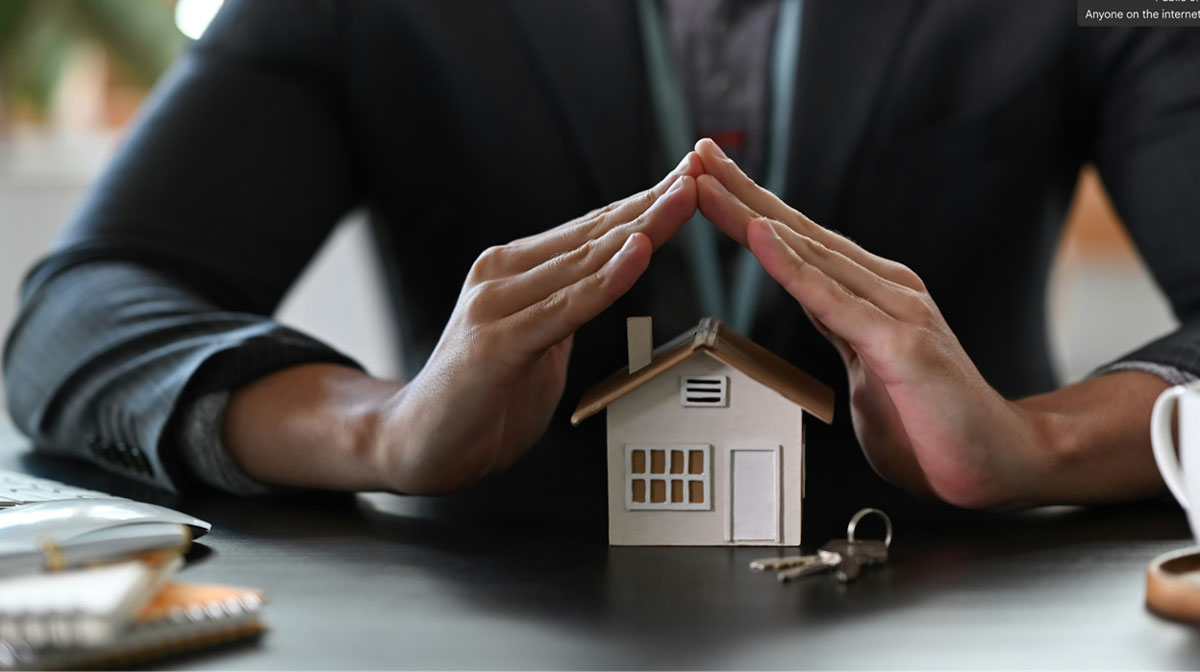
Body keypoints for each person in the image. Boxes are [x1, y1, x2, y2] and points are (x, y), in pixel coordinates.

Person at [4, 0, 1198, 526]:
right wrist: (377, 428)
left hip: (963, 615)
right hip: (486, 620)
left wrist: (1040, 443)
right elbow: (82, 316)